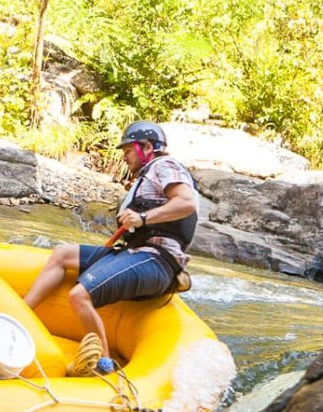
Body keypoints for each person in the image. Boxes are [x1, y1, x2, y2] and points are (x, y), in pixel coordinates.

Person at [23, 121, 197, 374]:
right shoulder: (147, 175)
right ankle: (22, 315)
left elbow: (186, 203)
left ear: (146, 147)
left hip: (156, 260)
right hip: (134, 252)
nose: (125, 157)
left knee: (79, 295)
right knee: (62, 254)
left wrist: (143, 218)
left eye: (127, 150)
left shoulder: (164, 166)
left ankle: (103, 363)